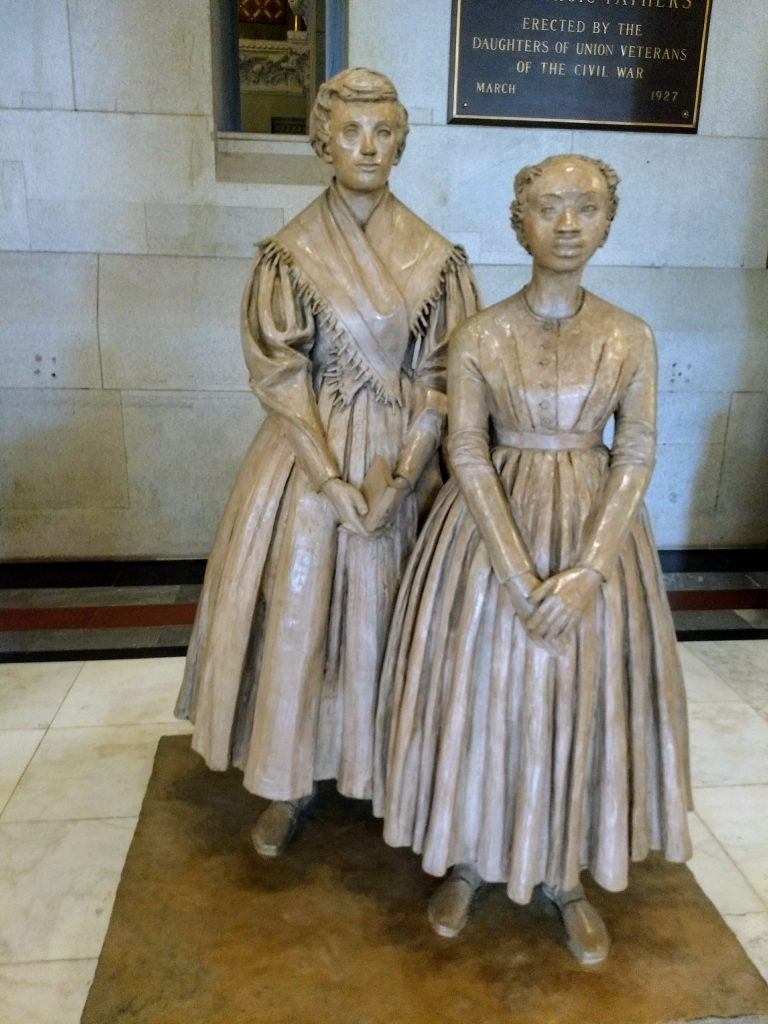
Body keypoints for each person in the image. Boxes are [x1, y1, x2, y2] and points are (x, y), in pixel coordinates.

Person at [375, 154, 692, 965]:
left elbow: (639, 449)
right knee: (485, 694)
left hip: (596, 532)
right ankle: (474, 855)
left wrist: (588, 569)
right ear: (520, 221)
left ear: (608, 222)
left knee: (582, 700)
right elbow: (467, 450)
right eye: (549, 207)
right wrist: (516, 574)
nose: (566, 223)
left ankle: (567, 872)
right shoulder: (481, 335)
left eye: (585, 207)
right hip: (488, 539)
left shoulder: (630, 335)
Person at [175, 68, 478, 859]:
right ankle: (291, 778)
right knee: (299, 617)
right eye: (350, 131)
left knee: (395, 620)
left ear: (401, 142)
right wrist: (329, 476)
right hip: (309, 459)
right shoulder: (291, 253)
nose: (368, 147)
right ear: (323, 141)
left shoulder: (437, 258)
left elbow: (448, 374)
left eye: (383, 132)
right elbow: (277, 372)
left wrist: (408, 472)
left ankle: (389, 771)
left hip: (403, 458)